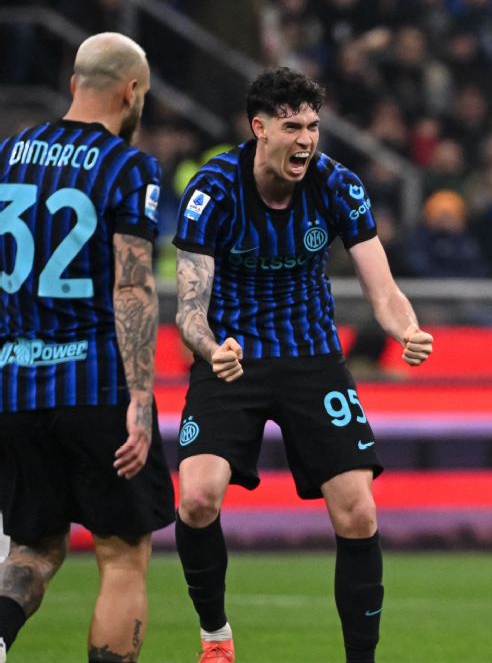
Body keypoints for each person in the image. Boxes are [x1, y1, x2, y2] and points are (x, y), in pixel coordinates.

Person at [171, 67, 433, 663]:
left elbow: (382, 287)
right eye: (293, 127)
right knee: (197, 499)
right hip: (231, 358)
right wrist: (211, 349)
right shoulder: (213, 188)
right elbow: (188, 308)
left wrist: (406, 329)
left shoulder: (337, 185)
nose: (307, 139)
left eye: (313, 126)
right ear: (259, 128)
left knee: (359, 511)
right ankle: (215, 637)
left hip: (312, 357)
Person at [0, 33, 174, 663]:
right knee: (122, 553)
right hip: (95, 383)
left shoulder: (9, 154)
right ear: (131, 92)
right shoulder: (128, 168)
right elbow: (132, 285)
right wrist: (141, 397)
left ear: (74, 85)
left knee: (32, 548)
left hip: (14, 385)